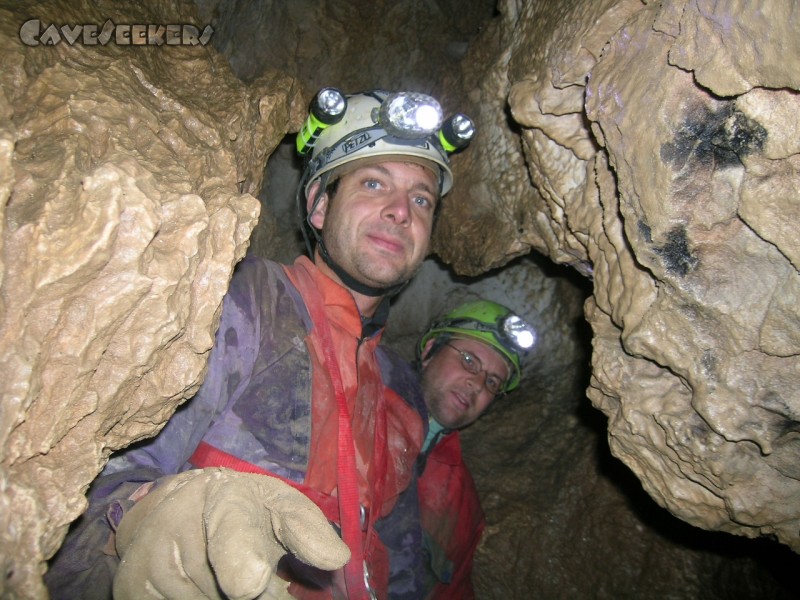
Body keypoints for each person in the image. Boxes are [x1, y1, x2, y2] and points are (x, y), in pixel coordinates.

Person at [45, 88, 474, 600]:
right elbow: (87, 493)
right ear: (318, 206)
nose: (401, 211)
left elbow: (399, 567)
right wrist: (152, 518)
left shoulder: (403, 392)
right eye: (373, 183)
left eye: (421, 198)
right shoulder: (244, 303)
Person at [415, 300, 535, 599]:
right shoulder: (351, 405)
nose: (478, 384)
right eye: (469, 360)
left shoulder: (463, 506)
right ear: (430, 351)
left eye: (493, 381)